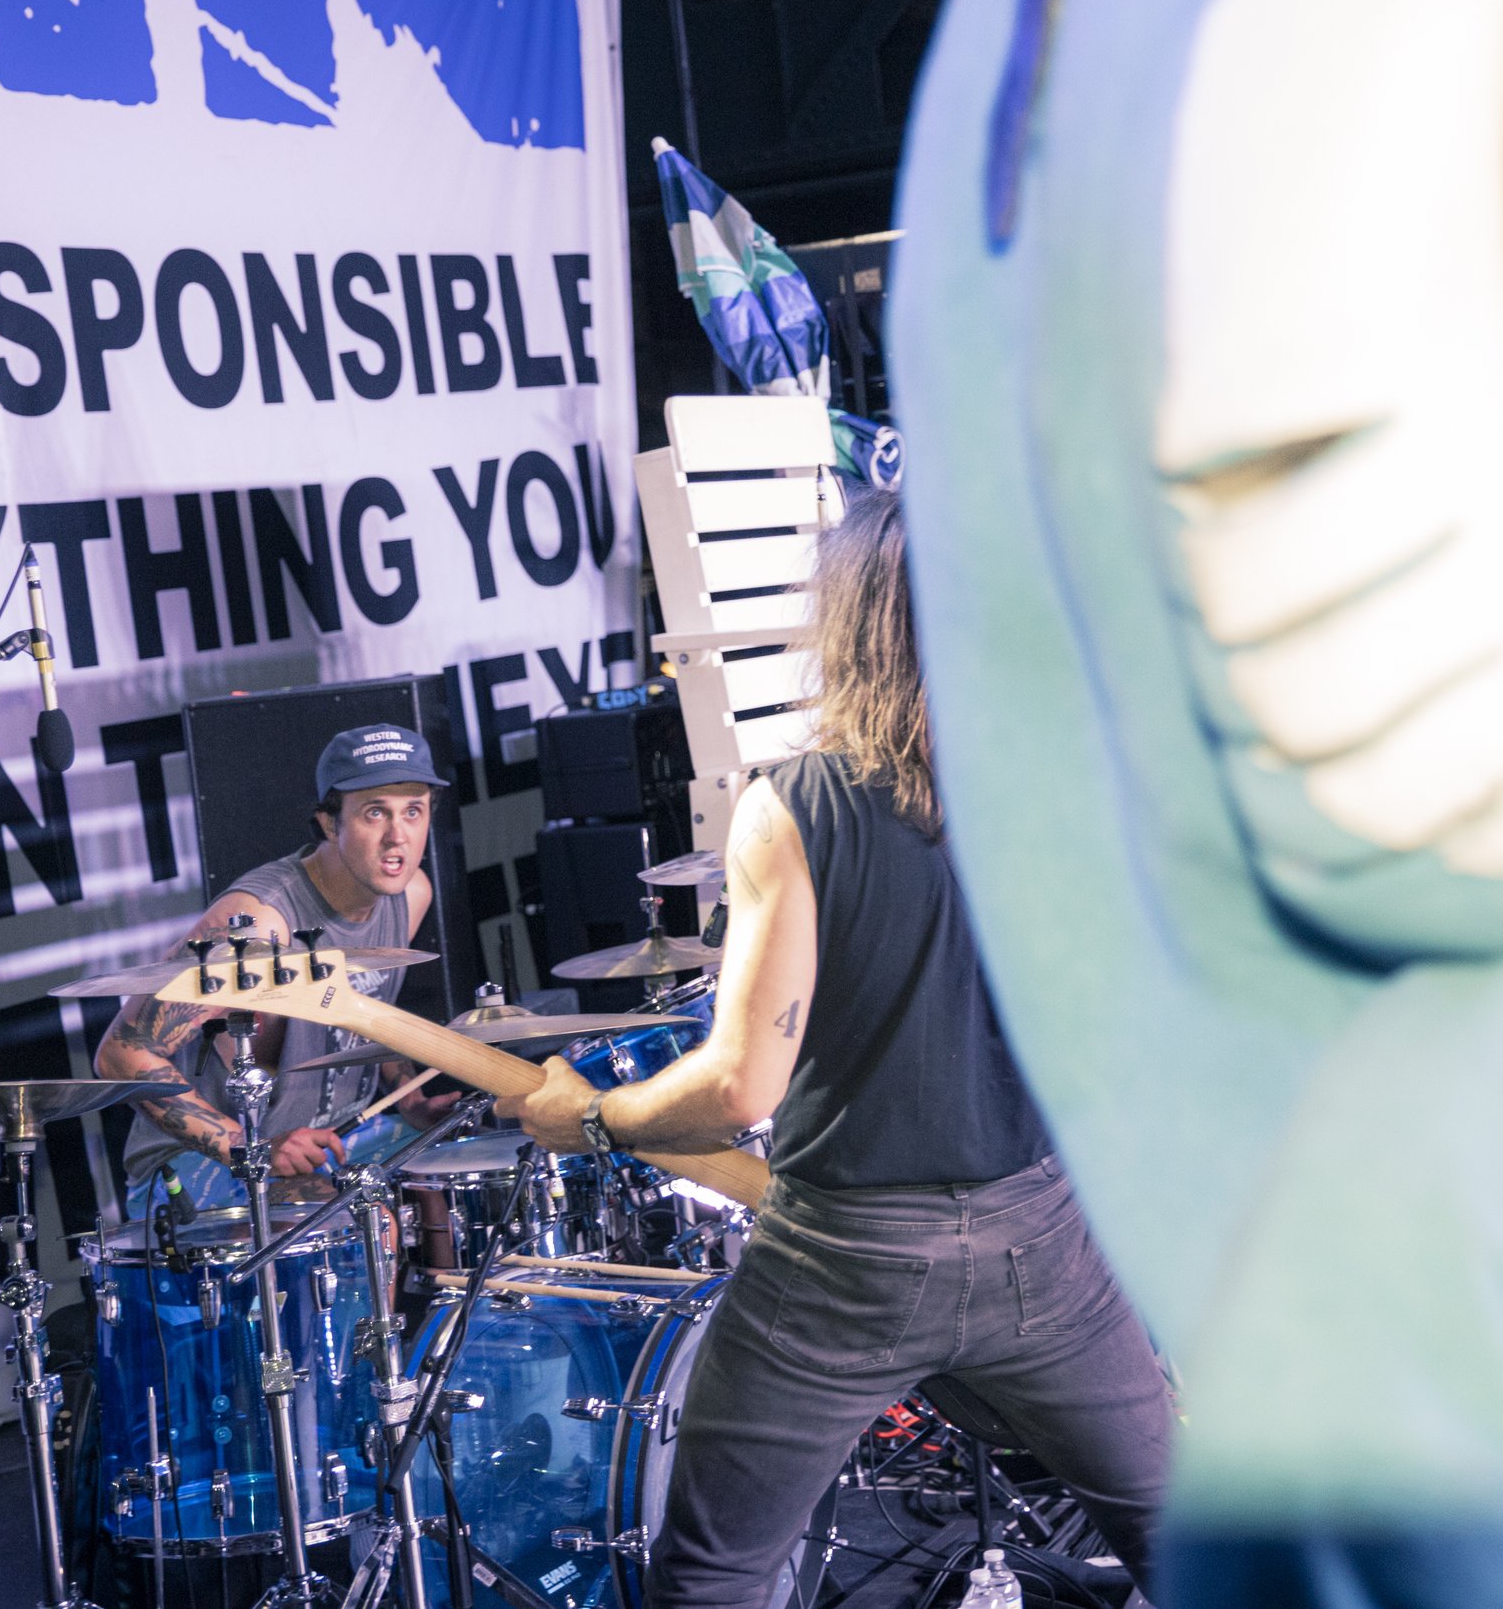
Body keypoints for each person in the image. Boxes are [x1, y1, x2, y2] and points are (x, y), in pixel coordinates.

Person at [521, 491, 1176, 1607]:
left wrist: (587, 1115)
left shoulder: (793, 808)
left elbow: (741, 1088)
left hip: (844, 1258)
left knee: (715, 1576)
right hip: (1039, 1240)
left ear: (852, 628)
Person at [96, 723, 460, 1212]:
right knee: (360, 1220)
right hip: (204, 1163)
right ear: (330, 824)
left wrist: (408, 1100)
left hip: (336, 1138)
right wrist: (252, 1149)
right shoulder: (260, 922)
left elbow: (366, 1015)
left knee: (476, 1164)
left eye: (413, 811)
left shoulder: (411, 893)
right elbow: (121, 1055)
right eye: (375, 812)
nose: (398, 837)